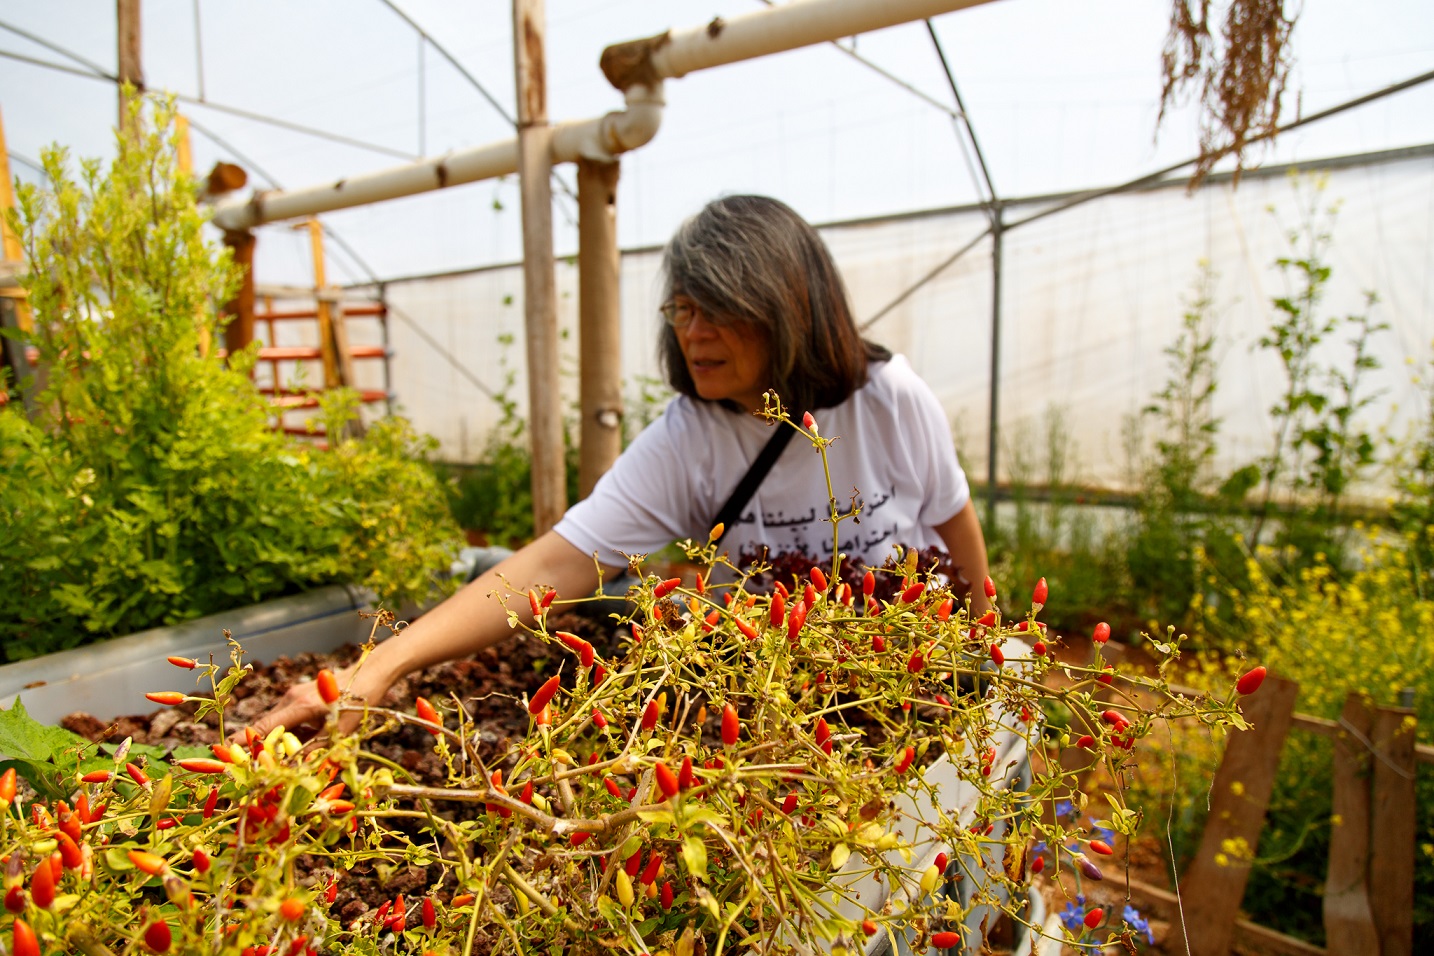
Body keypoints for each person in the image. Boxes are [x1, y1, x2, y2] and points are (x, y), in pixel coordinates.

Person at [244, 195, 989, 738]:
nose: (693, 333)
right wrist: (376, 671)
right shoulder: (690, 436)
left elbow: (959, 538)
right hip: (779, 719)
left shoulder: (889, 400)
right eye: (682, 310)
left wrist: (982, 673)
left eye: (717, 310)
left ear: (785, 308)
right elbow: (555, 564)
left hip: (904, 693)